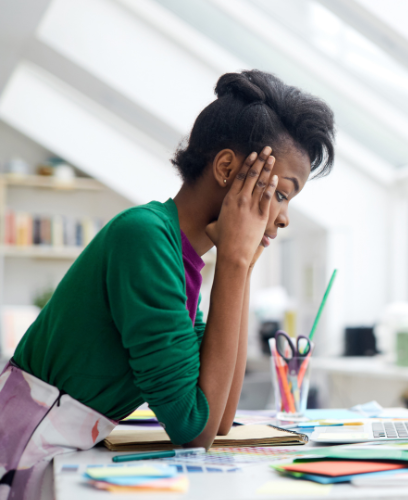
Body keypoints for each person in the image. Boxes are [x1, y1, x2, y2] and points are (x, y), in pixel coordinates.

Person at [0, 69, 335, 500]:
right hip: (23, 455)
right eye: (283, 194)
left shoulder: (178, 257)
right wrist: (233, 261)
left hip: (55, 450)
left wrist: (243, 267)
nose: (285, 217)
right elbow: (192, 429)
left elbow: (220, 416)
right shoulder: (143, 236)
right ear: (228, 168)